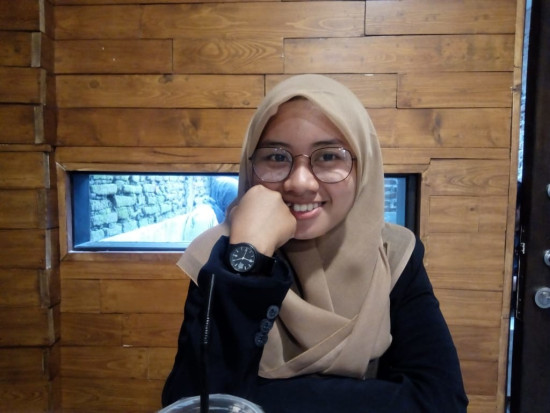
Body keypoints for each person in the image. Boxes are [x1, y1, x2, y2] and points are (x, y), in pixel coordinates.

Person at [162, 74, 468, 412]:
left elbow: (441, 401)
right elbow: (194, 402)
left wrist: (258, 396)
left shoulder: (394, 254)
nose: (300, 182)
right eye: (276, 157)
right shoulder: (220, 253)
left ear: (363, 166)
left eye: (328, 157)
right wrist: (247, 257)